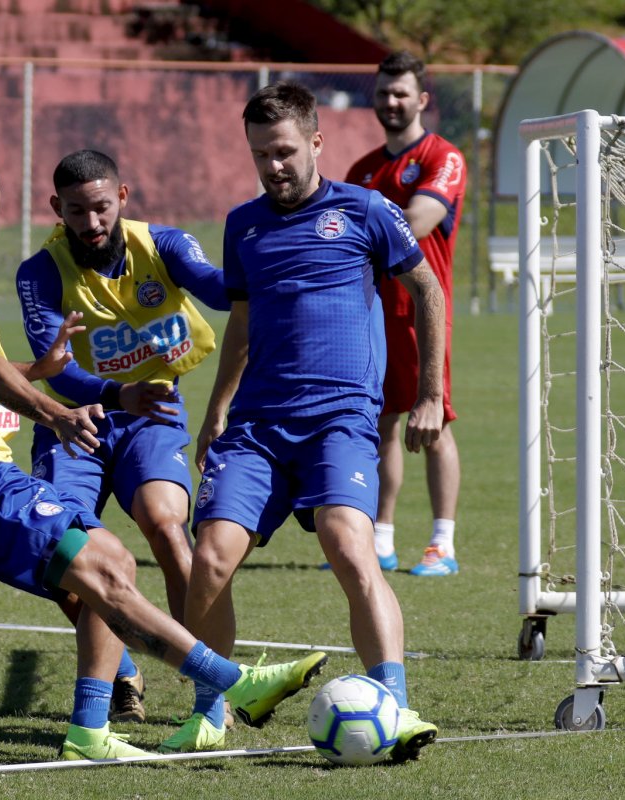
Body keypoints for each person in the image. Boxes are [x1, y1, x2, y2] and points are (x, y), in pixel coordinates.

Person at [0, 151, 327, 760]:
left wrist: (39, 372)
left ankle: (95, 729)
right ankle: (232, 683)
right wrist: (55, 410)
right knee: (105, 567)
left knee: (107, 561)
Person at [172, 81, 442, 759]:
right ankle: (214, 707)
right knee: (209, 557)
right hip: (259, 424)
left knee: (349, 544)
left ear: (316, 142)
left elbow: (427, 289)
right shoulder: (243, 225)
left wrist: (432, 394)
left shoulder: (368, 211)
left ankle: (396, 708)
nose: (274, 166)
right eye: (261, 154)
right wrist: (217, 409)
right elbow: (241, 321)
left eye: (286, 151)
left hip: (340, 419)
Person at [15, 149, 229, 726]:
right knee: (64, 556)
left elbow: (217, 286)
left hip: (150, 415)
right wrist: (114, 393)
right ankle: (123, 669)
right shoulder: (39, 272)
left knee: (166, 525)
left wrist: (269, 263)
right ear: (55, 208)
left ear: (124, 198)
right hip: (75, 422)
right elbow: (53, 366)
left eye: (102, 208)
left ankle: (208, 692)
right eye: (77, 211)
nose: (91, 223)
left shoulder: (167, 245)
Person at [344, 51, 466, 577]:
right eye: (383, 93)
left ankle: (443, 543)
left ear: (421, 99)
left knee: (433, 420)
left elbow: (419, 218)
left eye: (401, 93)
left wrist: (356, 231)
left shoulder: (444, 156)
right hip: (369, 315)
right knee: (379, 425)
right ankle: (382, 538)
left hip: (421, 311)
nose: (391, 102)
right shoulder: (361, 169)